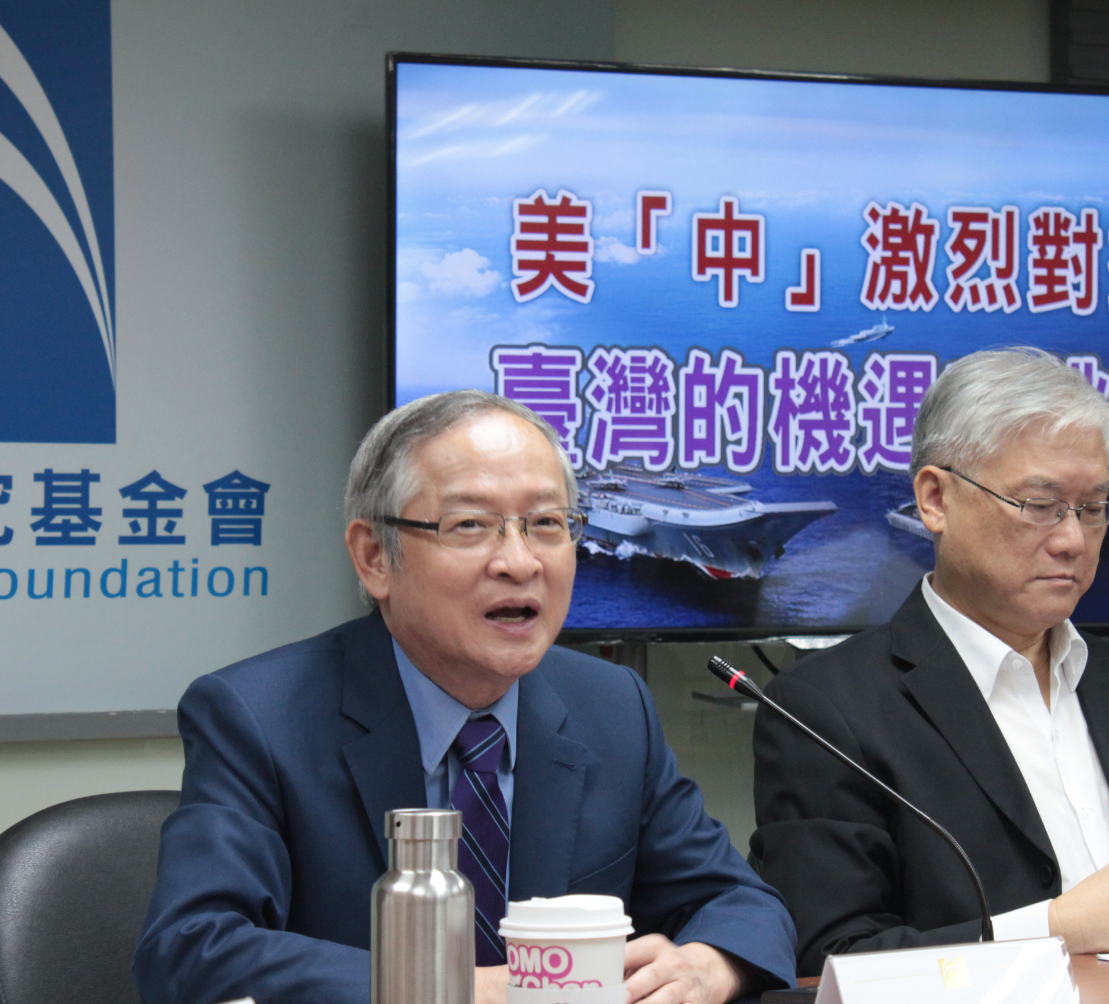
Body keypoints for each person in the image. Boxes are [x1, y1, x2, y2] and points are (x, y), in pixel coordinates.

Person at [135, 391, 796, 1004]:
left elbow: (743, 904)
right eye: (471, 525)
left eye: (547, 523)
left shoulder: (612, 707)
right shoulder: (258, 715)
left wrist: (706, 967)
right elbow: (192, 948)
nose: (520, 562)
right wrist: (457, 991)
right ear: (374, 557)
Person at [750, 347, 1109, 975]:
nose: (1072, 540)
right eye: (1039, 505)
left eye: (1092, 508)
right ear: (935, 500)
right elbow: (828, 961)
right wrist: (1058, 929)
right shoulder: (825, 711)